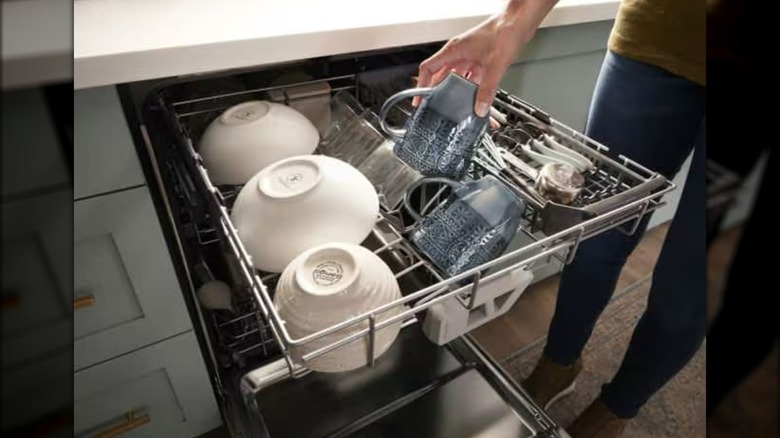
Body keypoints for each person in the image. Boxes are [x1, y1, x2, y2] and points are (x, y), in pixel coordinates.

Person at [415, 0, 705, 436]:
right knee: (592, 238)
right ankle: (559, 363)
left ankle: (617, 408)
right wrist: (513, 19)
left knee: (692, 282)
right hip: (655, 34)